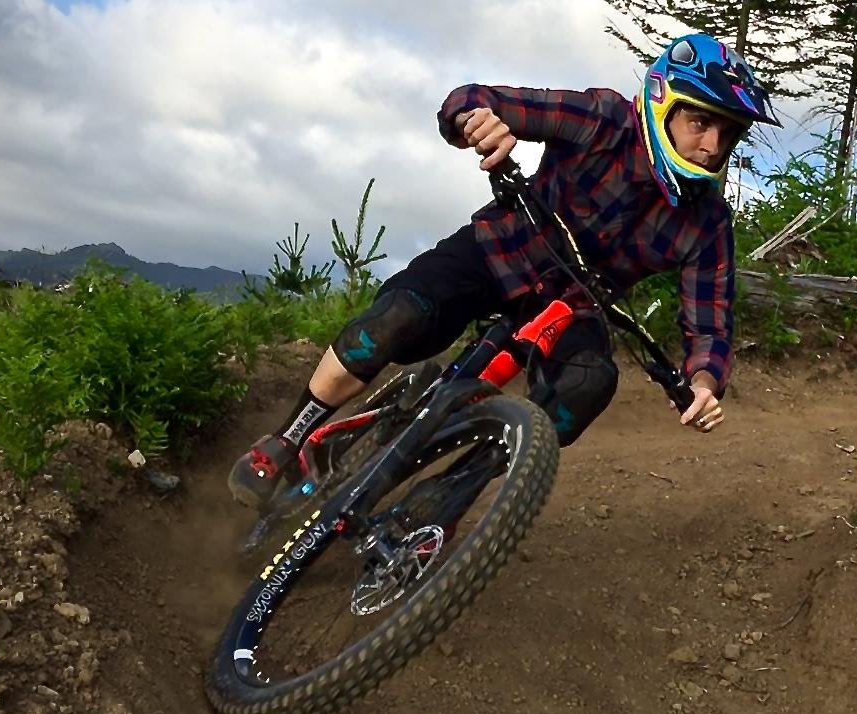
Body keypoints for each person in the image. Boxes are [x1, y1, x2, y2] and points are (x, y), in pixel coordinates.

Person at [228, 33, 781, 509]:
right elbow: (472, 98)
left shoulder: (708, 221)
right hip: (501, 250)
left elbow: (710, 325)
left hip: (573, 308)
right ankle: (287, 440)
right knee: (393, 320)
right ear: (663, 105)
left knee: (587, 386)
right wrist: (478, 121)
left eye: (728, 133)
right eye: (700, 121)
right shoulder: (605, 119)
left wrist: (704, 383)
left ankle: (450, 495)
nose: (712, 146)